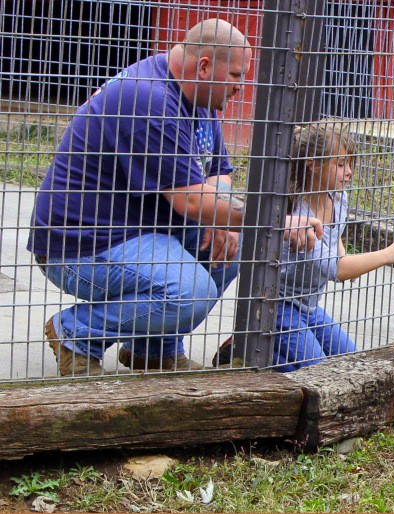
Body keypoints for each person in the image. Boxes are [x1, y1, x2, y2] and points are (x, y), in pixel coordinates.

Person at [27, 19, 323, 377]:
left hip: (138, 232)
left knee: (239, 243)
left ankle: (153, 350)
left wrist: (224, 223)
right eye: (234, 76)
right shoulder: (149, 98)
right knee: (190, 292)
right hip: (81, 246)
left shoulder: (199, 97)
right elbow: (193, 203)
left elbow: (218, 171)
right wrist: (275, 221)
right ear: (204, 66)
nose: (239, 88)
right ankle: (75, 333)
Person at [214, 122, 394, 371]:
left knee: (352, 362)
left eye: (350, 163)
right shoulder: (299, 215)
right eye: (339, 164)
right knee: (320, 371)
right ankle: (242, 351)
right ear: (313, 164)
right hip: (278, 306)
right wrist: (388, 254)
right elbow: (337, 269)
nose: (348, 172)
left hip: (309, 305)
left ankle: (253, 349)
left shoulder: (337, 197)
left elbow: (334, 238)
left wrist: (343, 251)